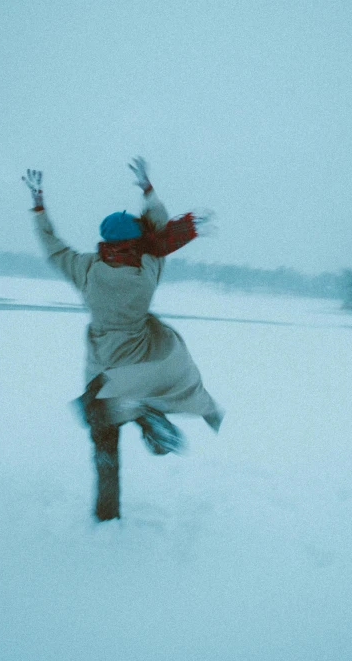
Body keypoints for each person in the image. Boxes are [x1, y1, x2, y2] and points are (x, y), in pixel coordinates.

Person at [23, 158, 223, 521]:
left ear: (104, 240)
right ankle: (143, 412)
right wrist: (148, 190)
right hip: (142, 357)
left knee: (102, 437)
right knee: (133, 394)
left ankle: (107, 514)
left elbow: (52, 246)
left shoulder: (85, 268)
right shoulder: (147, 267)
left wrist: (39, 206)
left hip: (102, 364)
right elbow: (159, 231)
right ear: (137, 240)